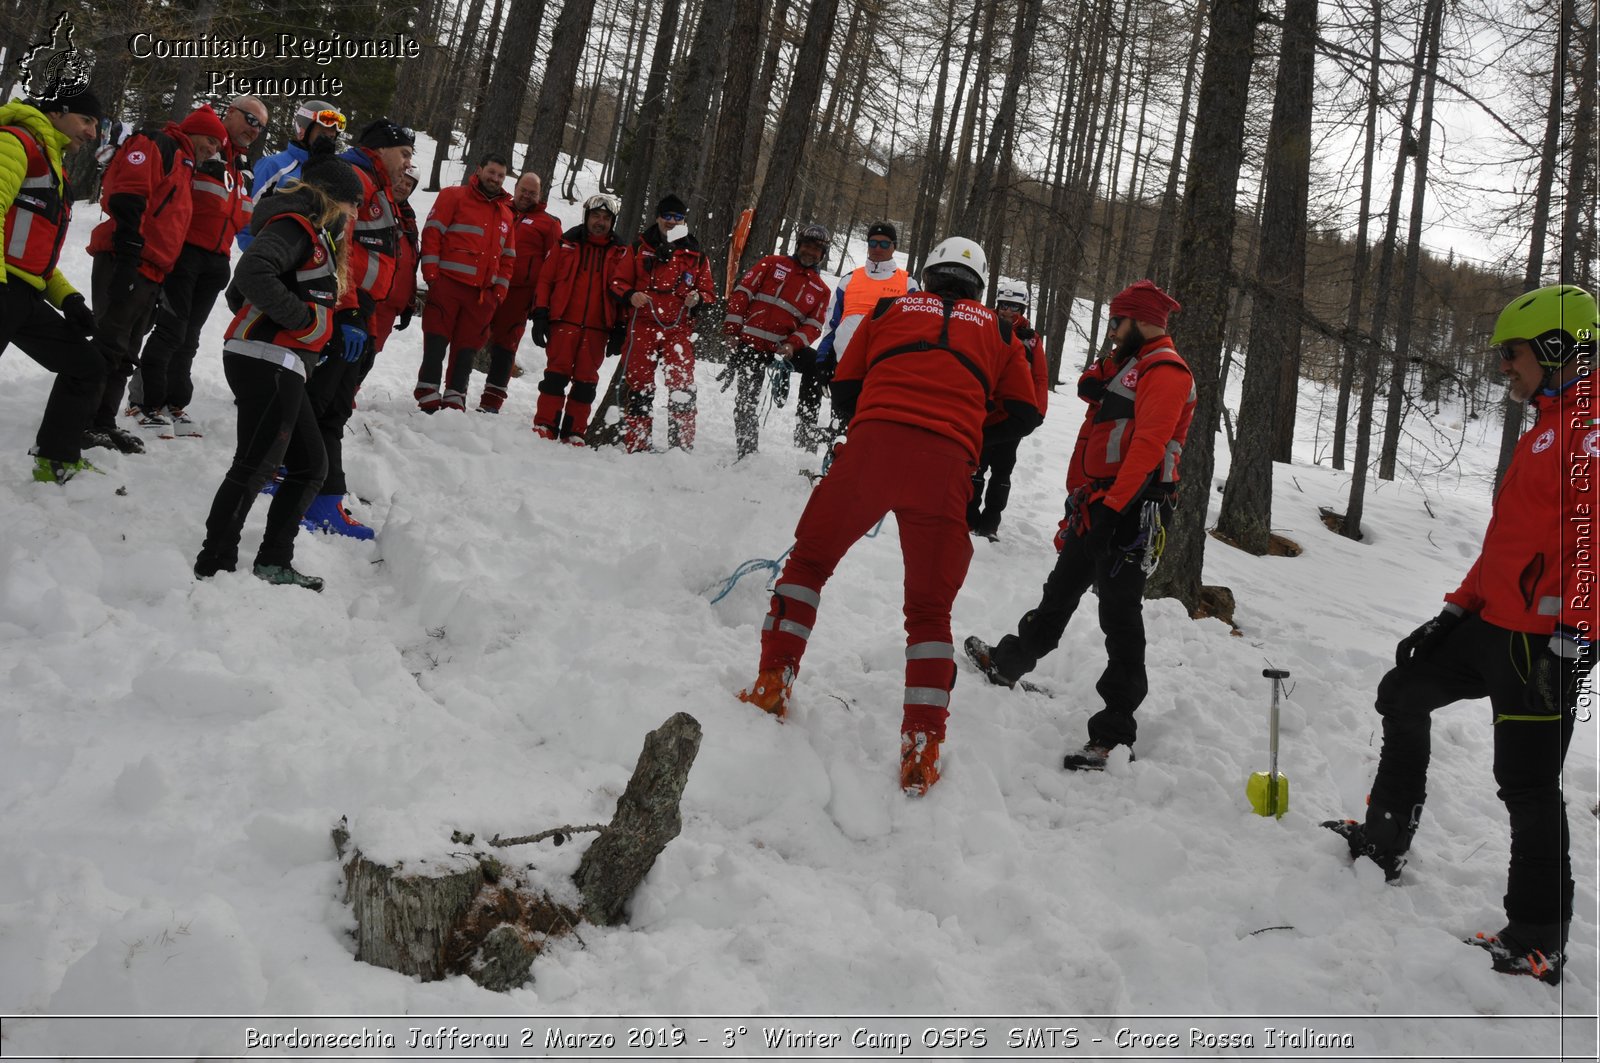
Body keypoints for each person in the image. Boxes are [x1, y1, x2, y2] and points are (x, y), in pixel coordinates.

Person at [1324, 284, 1596, 987]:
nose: (1506, 368)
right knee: (1402, 691)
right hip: (1491, 623)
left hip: (1542, 643)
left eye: (1514, 354)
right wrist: (1455, 608)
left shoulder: (1591, 431)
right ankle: (1384, 837)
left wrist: (1579, 636)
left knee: (1528, 784)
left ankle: (1540, 937)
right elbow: (1510, 539)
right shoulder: (1547, 423)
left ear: (1558, 349)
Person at [737, 237, 1041, 796]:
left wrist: (872, 421)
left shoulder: (888, 307)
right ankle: (921, 746)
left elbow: (845, 385)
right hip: (946, 467)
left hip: (872, 448)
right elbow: (1026, 411)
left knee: (807, 566)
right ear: (979, 285)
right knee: (929, 615)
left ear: (928, 274)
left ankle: (773, 680)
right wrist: (969, 430)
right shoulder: (1001, 330)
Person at [966, 279, 1193, 772]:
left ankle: (1113, 734)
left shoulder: (1167, 370)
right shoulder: (1133, 362)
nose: (1111, 333)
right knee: (1059, 594)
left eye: (1117, 323)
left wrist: (1114, 509)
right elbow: (1103, 395)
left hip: (1132, 511)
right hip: (1100, 504)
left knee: (1119, 618)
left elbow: (1149, 444)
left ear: (1139, 321)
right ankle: (1007, 666)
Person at [193, 145, 364, 592]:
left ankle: (270, 561)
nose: (355, 214)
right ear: (331, 198)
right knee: (258, 465)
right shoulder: (296, 225)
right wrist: (304, 323)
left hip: (276, 361)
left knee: (308, 465)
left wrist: (307, 332)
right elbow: (251, 274)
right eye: (352, 204)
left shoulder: (316, 236)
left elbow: (243, 293)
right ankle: (216, 562)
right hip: (266, 360)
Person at [294, 118, 413, 541]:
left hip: (362, 307)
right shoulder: (355, 178)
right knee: (326, 402)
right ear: (380, 149)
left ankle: (308, 482)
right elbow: (335, 248)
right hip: (344, 305)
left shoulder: (377, 186)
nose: (407, 163)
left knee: (330, 402)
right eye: (404, 153)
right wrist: (347, 311)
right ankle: (315, 493)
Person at [84, 104, 225, 455]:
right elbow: (129, 194)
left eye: (217, 145)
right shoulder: (156, 144)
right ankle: (81, 421)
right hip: (125, 259)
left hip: (153, 269)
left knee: (127, 350)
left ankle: (103, 422)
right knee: (108, 344)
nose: (212, 149)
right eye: (209, 139)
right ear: (192, 131)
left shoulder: (184, 165)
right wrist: (128, 257)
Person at [129, 96, 268, 437]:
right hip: (183, 252)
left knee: (189, 335)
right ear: (230, 113)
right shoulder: (204, 147)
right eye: (249, 119)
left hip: (217, 258)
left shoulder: (244, 165)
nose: (254, 129)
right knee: (170, 329)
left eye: (260, 125)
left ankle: (174, 400)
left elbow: (241, 215)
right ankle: (145, 400)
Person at [0, 90, 107, 483]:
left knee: (87, 366)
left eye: (96, 124)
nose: (93, 132)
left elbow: (33, 252)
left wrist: (70, 299)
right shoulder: (14, 143)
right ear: (58, 113)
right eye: (87, 121)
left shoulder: (51, 164)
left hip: (21, 293)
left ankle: (55, 459)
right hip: (3, 287)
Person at [528, 192, 633, 442]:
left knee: (586, 382)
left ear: (612, 222)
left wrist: (620, 328)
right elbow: (545, 279)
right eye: (596, 216)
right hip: (563, 323)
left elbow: (624, 290)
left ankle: (574, 431)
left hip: (598, 329)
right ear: (587, 217)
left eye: (606, 218)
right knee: (555, 375)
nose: (600, 222)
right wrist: (540, 313)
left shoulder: (621, 252)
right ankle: (546, 424)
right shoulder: (566, 243)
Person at [413, 153, 514, 412]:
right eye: (491, 172)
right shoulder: (453, 196)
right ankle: (427, 390)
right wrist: (432, 275)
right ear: (479, 170)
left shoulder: (505, 213)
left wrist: (499, 291)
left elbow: (508, 257)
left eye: (501, 176)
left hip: (482, 296)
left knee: (467, 347)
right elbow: (433, 232)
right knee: (436, 339)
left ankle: (455, 394)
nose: (496, 179)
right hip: (448, 284)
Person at [721, 223, 832, 459]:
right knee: (747, 397)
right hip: (750, 342)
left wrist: (792, 344)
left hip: (782, 348)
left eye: (816, 250)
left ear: (822, 255)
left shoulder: (821, 289)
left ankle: (805, 431)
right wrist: (732, 330)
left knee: (814, 363)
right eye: (807, 246)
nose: (810, 252)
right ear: (799, 245)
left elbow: (814, 325)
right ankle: (747, 450)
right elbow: (743, 292)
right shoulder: (772, 263)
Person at [804, 221, 917, 450]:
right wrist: (823, 358)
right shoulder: (849, 279)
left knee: (872, 426)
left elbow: (914, 330)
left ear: (893, 247)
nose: (877, 247)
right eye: (873, 242)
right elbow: (833, 325)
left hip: (883, 369)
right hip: (844, 363)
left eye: (884, 243)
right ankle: (833, 471)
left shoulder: (908, 283)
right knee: (840, 424)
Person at [617, 193, 717, 451]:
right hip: (643, 325)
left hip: (677, 330)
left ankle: (681, 447)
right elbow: (617, 282)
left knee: (682, 386)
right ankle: (637, 444)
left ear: (684, 220)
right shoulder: (639, 247)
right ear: (658, 217)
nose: (672, 222)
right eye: (667, 216)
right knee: (639, 387)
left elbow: (709, 292)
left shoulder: (696, 254)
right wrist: (630, 294)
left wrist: (698, 297)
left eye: (678, 217)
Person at [477, 170, 561, 413]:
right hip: (487, 286)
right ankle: (455, 391)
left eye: (532, 193)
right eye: (523, 190)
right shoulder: (501, 210)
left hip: (518, 295)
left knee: (505, 345)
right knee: (470, 335)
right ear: (515, 189)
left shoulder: (549, 223)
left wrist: (541, 305)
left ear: (540, 195)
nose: (526, 196)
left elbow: (553, 267)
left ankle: (491, 401)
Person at [968, 285, 1049, 539]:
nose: (1007, 311)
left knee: (1003, 469)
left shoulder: (1031, 338)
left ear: (1022, 310)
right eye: (1004, 305)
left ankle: (990, 523)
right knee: (976, 466)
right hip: (986, 409)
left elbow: (1040, 376)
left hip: (1014, 413)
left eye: (1014, 307)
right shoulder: (984, 324)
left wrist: (1038, 411)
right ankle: (968, 518)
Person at [238, 100, 344, 247]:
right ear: (303, 131)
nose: (327, 141)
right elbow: (245, 215)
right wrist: (260, 257)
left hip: (310, 264)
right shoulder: (275, 166)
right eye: (322, 134)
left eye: (332, 137)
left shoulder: (330, 175)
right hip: (270, 258)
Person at [369, 167, 420, 352]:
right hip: (370, 301)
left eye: (409, 185)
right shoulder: (377, 205)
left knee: (368, 359)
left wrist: (409, 303)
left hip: (390, 307)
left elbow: (411, 264)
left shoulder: (409, 220)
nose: (404, 187)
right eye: (402, 181)